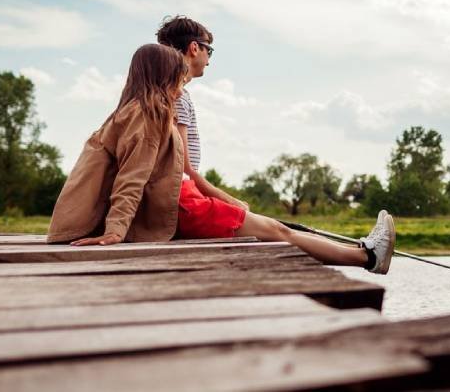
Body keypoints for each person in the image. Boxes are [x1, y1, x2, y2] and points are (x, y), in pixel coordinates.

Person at [47, 43, 395, 274]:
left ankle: (365, 252)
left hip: (179, 203)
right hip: (182, 208)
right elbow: (131, 178)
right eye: (178, 77)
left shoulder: (134, 110)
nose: (182, 85)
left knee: (273, 231)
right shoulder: (148, 114)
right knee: (276, 231)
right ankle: (367, 257)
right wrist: (114, 232)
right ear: (163, 76)